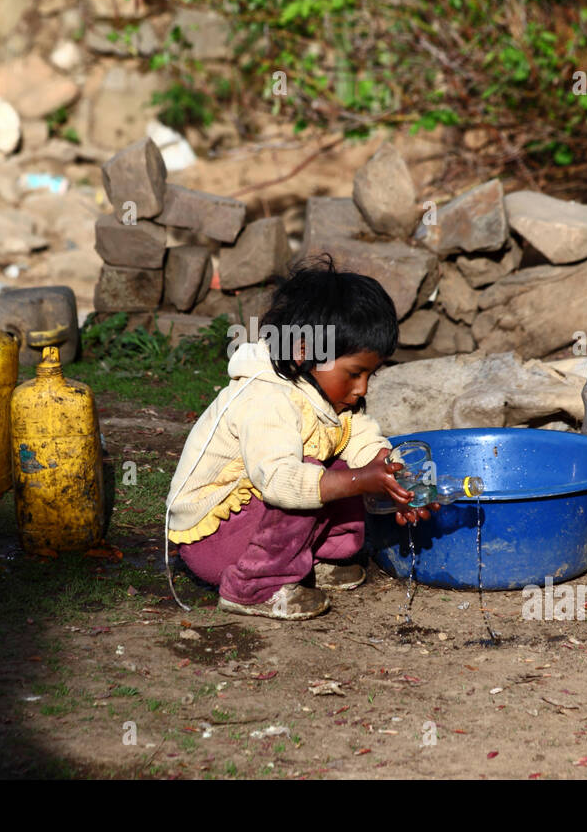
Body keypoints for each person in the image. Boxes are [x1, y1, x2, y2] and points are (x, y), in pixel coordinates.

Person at [165, 256, 436, 620]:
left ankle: (317, 558)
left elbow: (360, 438)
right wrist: (360, 480)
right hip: (214, 542)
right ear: (307, 351)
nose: (362, 388)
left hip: (252, 527)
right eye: (355, 373)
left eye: (371, 374)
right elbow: (279, 482)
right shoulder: (265, 397)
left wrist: (390, 478)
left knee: (346, 465)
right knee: (311, 474)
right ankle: (254, 587)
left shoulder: (322, 388)